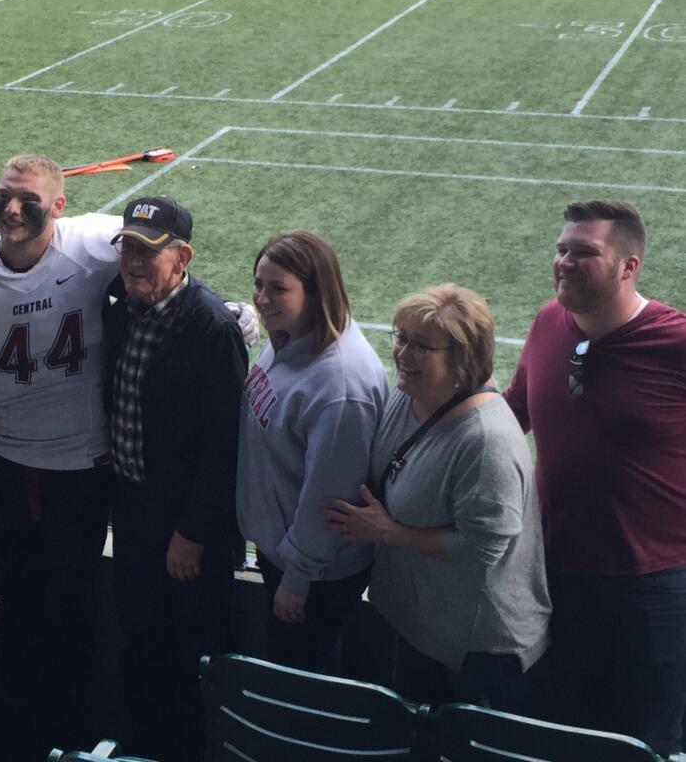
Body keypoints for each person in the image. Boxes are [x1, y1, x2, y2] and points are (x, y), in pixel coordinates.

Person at [0, 153, 123, 758]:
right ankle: (15, 733)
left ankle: (74, 734)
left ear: (58, 207)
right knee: (8, 607)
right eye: (4, 196)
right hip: (3, 464)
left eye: (28, 200)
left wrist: (214, 310)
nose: (12, 209)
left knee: (76, 606)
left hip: (83, 468)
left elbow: (161, 259)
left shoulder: (93, 247)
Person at [504, 200, 686, 756]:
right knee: (566, 725)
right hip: (553, 572)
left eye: (584, 253)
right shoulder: (546, 322)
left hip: (651, 587)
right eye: (562, 249)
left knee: (641, 738)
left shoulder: (676, 342)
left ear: (629, 266)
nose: (564, 262)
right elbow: (513, 415)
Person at [323, 284, 551, 712]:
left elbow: (484, 547)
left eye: (422, 345)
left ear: (463, 357)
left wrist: (389, 532)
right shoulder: (410, 394)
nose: (402, 354)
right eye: (401, 337)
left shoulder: (486, 441)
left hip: (480, 647)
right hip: (423, 627)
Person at [102, 196, 247, 762]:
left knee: (190, 653)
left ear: (182, 256)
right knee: (140, 642)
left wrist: (192, 531)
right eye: (129, 248)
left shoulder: (211, 327)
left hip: (187, 529)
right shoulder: (121, 306)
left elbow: (224, 444)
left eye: (150, 251)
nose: (135, 262)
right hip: (135, 511)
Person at [236, 230, 388, 673]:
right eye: (259, 284)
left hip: (313, 573)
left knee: (302, 678)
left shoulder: (341, 387)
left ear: (316, 291)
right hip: (282, 551)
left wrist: (299, 577)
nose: (262, 298)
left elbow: (330, 499)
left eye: (278, 288)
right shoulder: (290, 335)